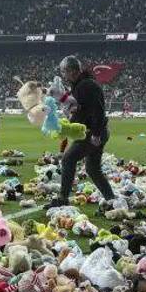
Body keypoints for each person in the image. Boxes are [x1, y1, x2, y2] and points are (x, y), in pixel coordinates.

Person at [47, 56, 116, 214]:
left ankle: (63, 198)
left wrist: (97, 134)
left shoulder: (86, 85)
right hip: (94, 131)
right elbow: (80, 108)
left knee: (68, 158)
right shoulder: (82, 84)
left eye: (65, 71)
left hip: (92, 132)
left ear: (72, 70)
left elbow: (98, 110)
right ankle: (111, 199)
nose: (64, 75)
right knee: (93, 169)